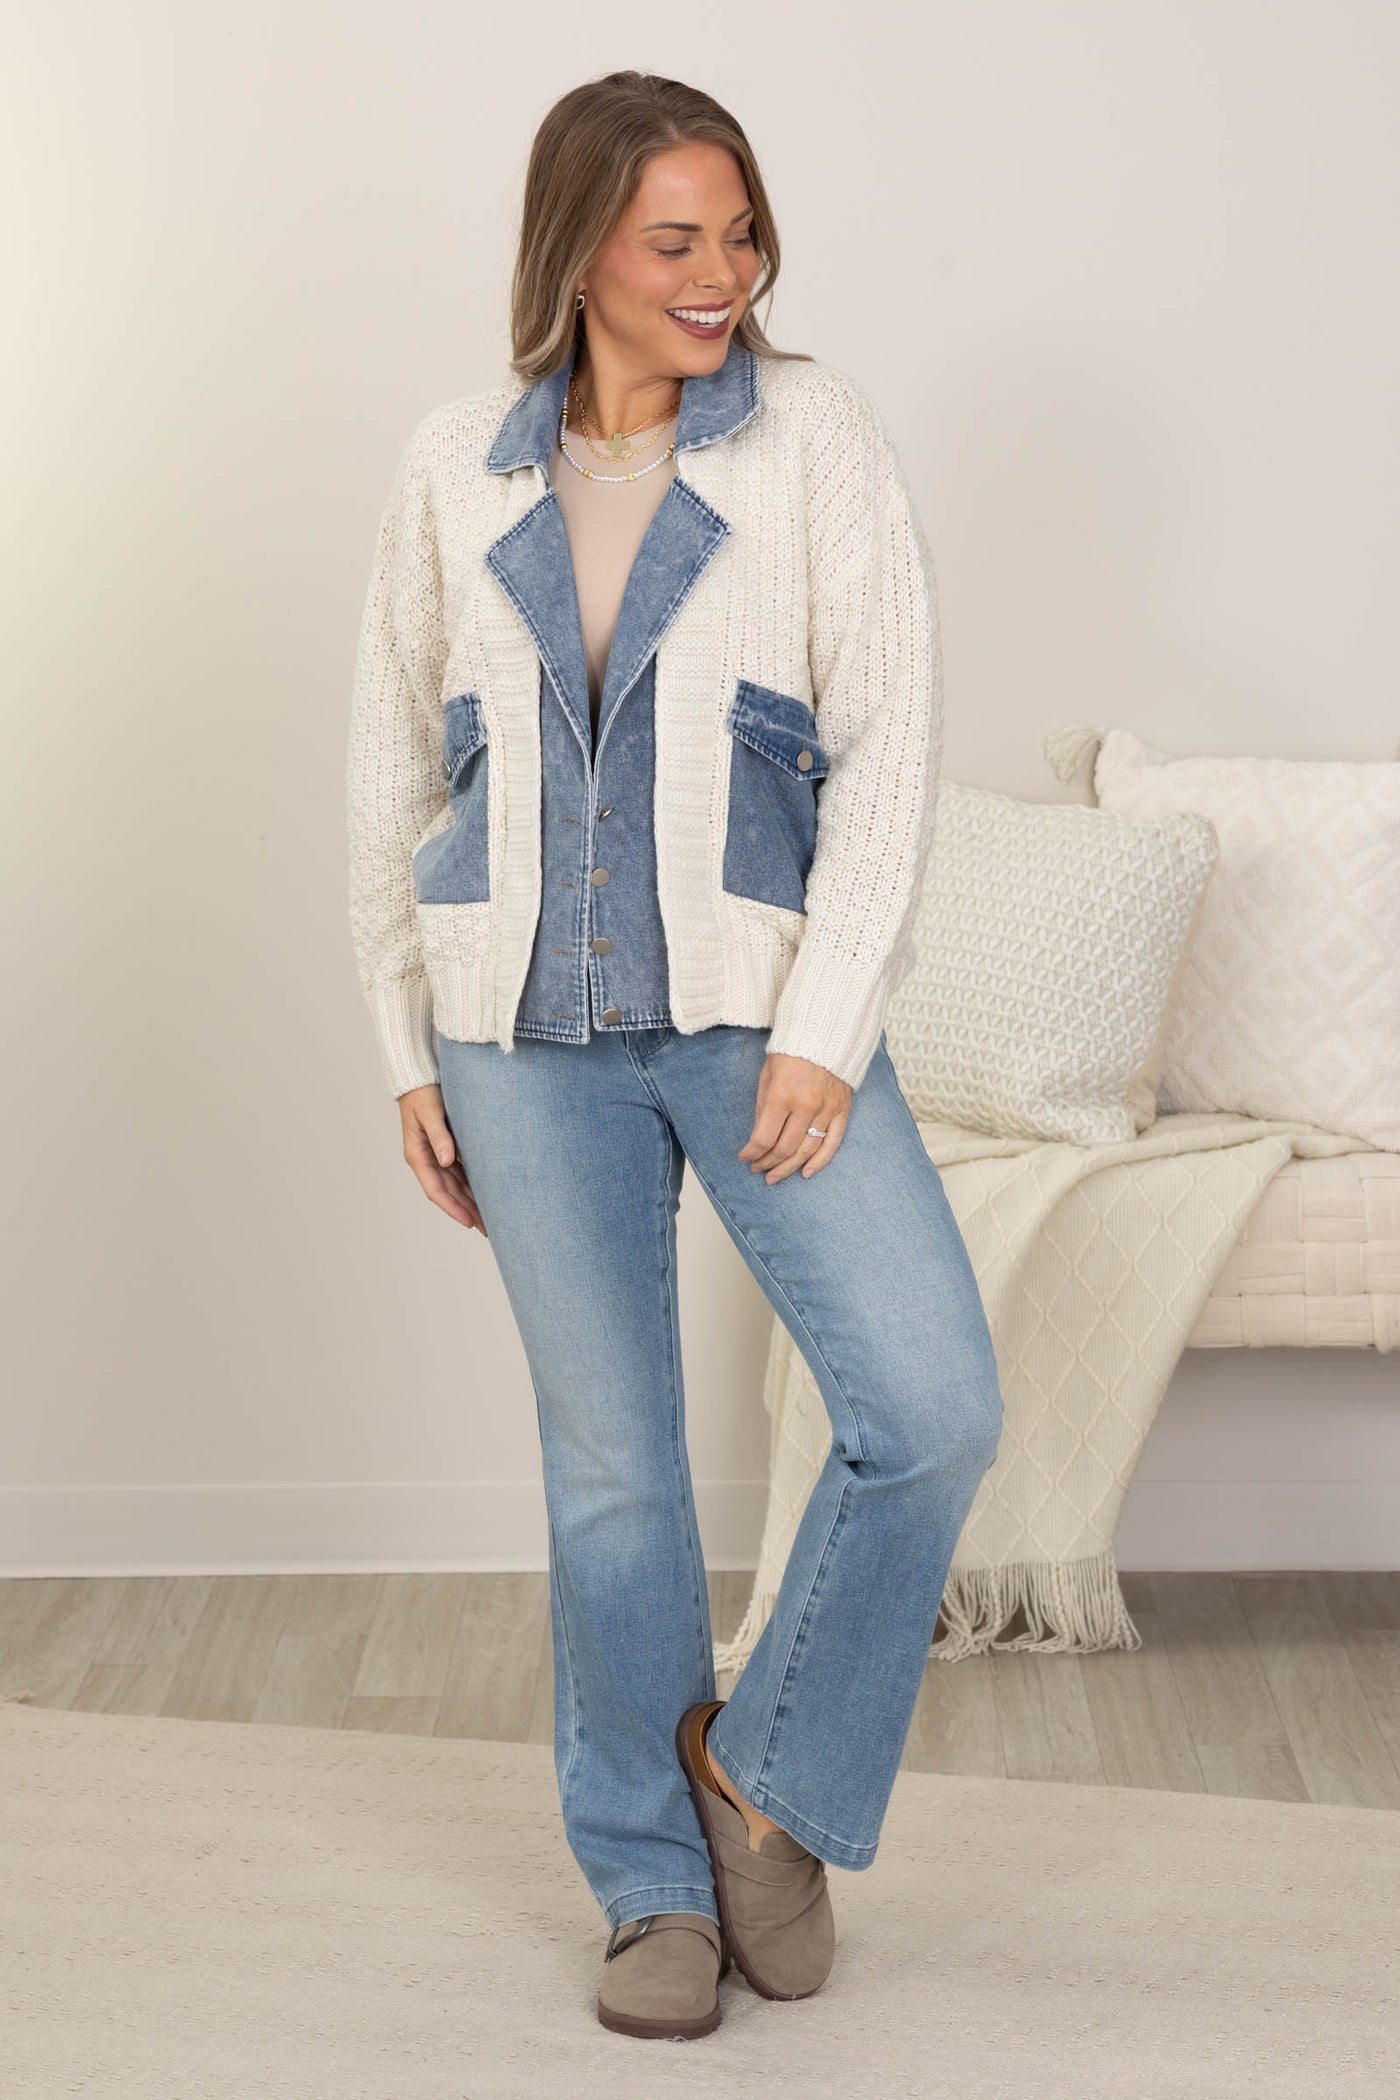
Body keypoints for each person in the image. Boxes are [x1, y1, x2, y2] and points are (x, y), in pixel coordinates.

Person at [346, 68, 1004, 2043]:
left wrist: (827, 1022)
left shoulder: (812, 439)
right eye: (674, 239)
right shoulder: (455, 465)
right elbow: (392, 766)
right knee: (615, 1480)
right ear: (578, 252)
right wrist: (403, 1044)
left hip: (753, 1017)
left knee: (930, 1406)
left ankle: (759, 1784)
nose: (723, 272)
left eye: (739, 231)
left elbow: (889, 740)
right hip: (520, 1040)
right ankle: (651, 1888)